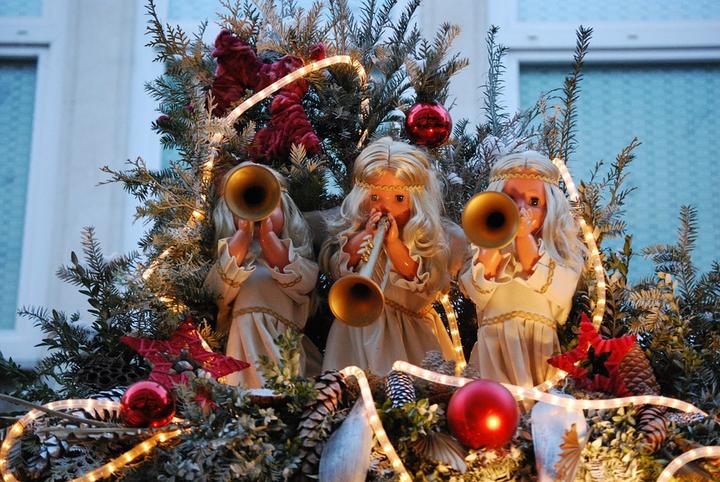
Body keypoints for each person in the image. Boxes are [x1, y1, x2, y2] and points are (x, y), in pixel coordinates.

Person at [321, 137, 462, 375]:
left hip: (411, 333)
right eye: (375, 197)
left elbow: (421, 281)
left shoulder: (423, 240)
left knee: (414, 388)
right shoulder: (355, 230)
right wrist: (364, 235)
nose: (386, 208)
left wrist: (394, 244)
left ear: (416, 201)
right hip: (356, 329)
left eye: (399, 199)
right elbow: (338, 268)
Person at [459, 150, 584, 389]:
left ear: (549, 209)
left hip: (537, 346)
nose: (520, 209)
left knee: (538, 401)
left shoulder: (556, 254)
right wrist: (492, 241)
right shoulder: (486, 247)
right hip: (493, 346)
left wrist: (523, 235)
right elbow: (478, 290)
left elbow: (546, 279)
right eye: (510, 199)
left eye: (534, 202)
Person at [204, 163, 319, 388]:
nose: (259, 213)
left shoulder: (292, 258)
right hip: (241, 344)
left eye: (270, 205)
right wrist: (243, 233)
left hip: (283, 345)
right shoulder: (234, 258)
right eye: (244, 204)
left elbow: (305, 283)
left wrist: (269, 238)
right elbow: (215, 292)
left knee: (285, 389)